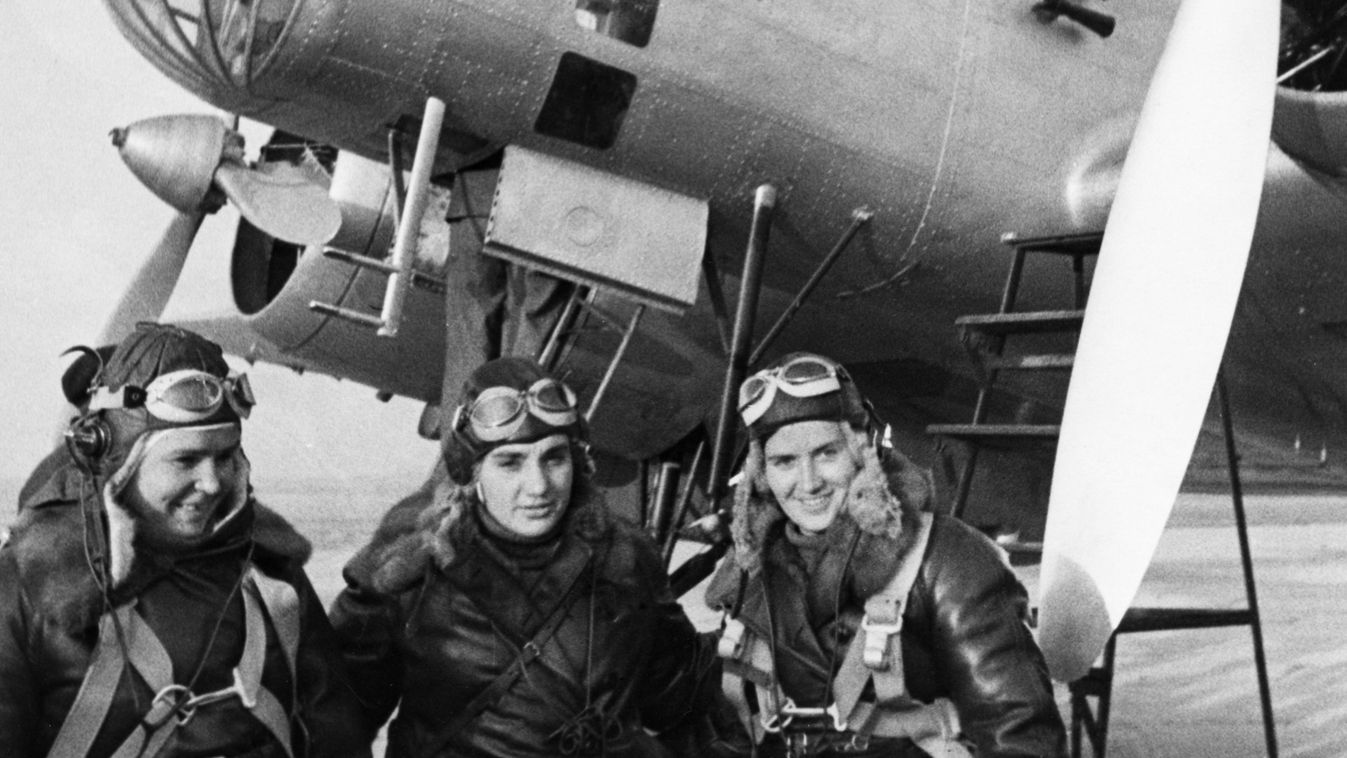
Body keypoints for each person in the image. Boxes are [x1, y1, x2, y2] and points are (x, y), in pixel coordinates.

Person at [0, 323, 367, 757]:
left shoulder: (271, 578)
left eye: (226, 456)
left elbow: (336, 739)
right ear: (117, 463)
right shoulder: (30, 587)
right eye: (186, 459)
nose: (212, 483)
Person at [330, 356, 724, 756]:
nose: (538, 486)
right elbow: (333, 726)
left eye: (554, 458)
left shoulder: (625, 559)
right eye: (510, 462)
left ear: (577, 462)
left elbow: (687, 707)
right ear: (471, 472)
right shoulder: (406, 571)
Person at [705, 352, 1066, 757]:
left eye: (826, 453)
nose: (808, 483)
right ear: (761, 473)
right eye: (784, 461)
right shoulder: (750, 571)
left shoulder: (947, 561)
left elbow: (1018, 731)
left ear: (863, 452)